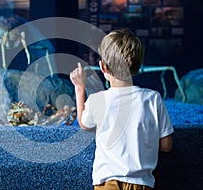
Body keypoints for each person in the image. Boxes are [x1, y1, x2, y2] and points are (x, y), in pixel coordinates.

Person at [70, 29, 173, 190]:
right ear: (137, 66)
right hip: (142, 184)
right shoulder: (153, 98)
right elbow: (166, 145)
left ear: (102, 67)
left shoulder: (98, 100)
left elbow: (84, 123)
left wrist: (79, 88)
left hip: (107, 182)